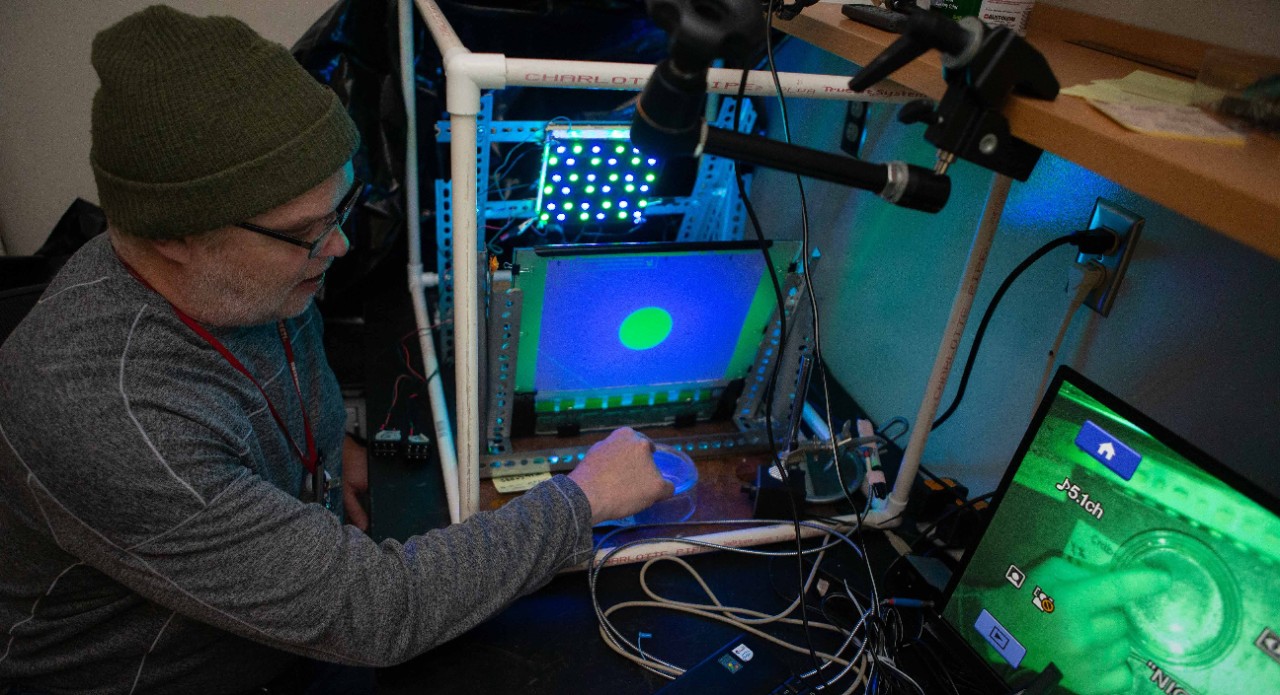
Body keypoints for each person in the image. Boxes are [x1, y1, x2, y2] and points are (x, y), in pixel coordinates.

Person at [0, 6, 672, 694]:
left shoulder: (242, 278)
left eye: (340, 212)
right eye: (307, 231)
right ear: (175, 235)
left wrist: (325, 457)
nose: (341, 245)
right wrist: (582, 497)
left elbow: (276, 373)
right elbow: (376, 610)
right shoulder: (109, 415)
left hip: (269, 632)